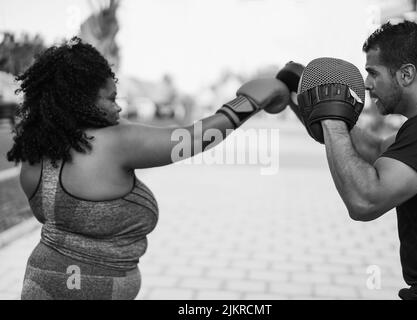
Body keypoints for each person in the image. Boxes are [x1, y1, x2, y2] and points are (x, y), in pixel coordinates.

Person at [6, 37, 290, 300]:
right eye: (111, 98)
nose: (118, 108)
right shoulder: (115, 142)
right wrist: (248, 103)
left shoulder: (33, 154)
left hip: (39, 281)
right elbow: (193, 139)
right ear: (80, 99)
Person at [292, 20, 417, 300]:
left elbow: (365, 200)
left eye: (373, 73)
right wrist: (306, 98)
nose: (366, 85)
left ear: (406, 74)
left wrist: (331, 117)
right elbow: (377, 150)